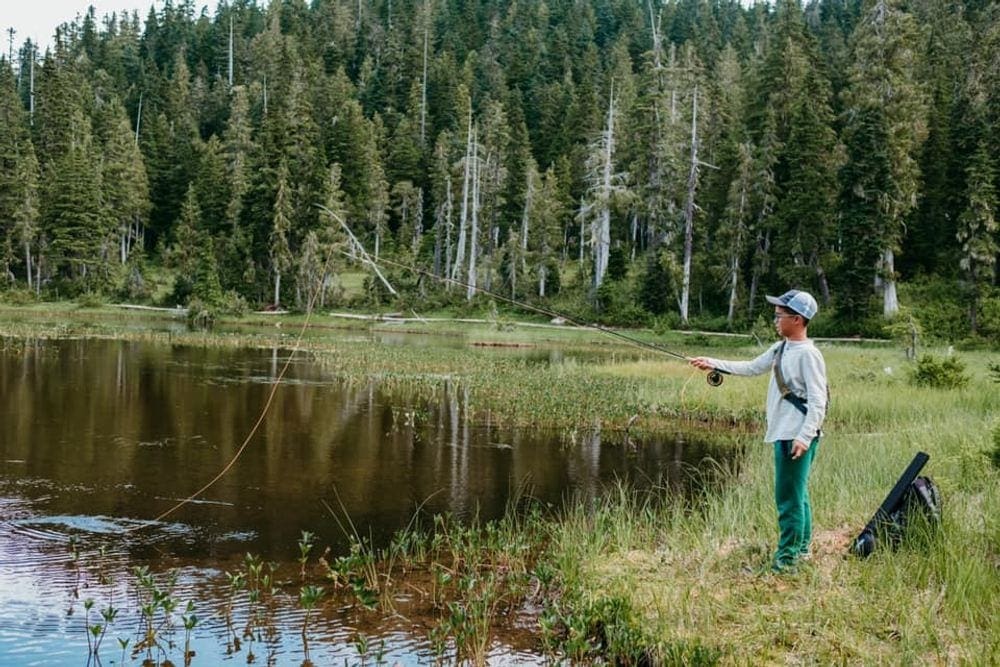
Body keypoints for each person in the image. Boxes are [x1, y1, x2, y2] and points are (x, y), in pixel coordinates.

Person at [690, 290, 828, 571]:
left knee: (788, 499)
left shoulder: (809, 355)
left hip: (796, 436)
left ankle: (786, 562)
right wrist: (713, 363)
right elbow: (752, 367)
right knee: (797, 494)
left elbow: (818, 400)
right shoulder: (781, 349)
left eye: (780, 316)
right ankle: (800, 552)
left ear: (798, 319)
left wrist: (804, 437)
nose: (775, 320)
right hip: (784, 433)